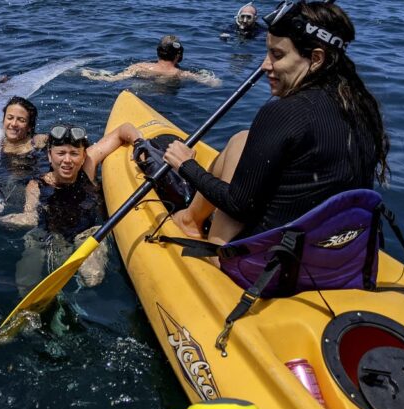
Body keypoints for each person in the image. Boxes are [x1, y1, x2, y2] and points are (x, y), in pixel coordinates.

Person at [163, 2, 390, 255]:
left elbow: (239, 206)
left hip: (274, 267)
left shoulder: (284, 111)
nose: (264, 65)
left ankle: (204, 238)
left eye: (277, 55)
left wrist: (187, 166)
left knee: (237, 184)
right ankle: (191, 219)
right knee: (242, 139)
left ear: (316, 58)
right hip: (341, 258)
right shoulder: (360, 106)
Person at [0, 122, 142, 290]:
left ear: (83, 157)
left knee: (93, 278)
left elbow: (122, 130)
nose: (67, 160)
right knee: (26, 281)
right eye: (61, 153)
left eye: (74, 154)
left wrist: (139, 144)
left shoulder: (88, 166)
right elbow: (30, 216)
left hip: (88, 233)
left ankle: (77, 293)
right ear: (50, 156)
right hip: (49, 235)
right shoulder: (36, 185)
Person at [81, 35, 221, 87]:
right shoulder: (181, 74)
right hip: (165, 96)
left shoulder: (140, 66)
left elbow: (113, 79)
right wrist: (209, 77)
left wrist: (88, 74)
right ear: (178, 55)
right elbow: (216, 84)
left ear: (158, 52)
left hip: (141, 89)